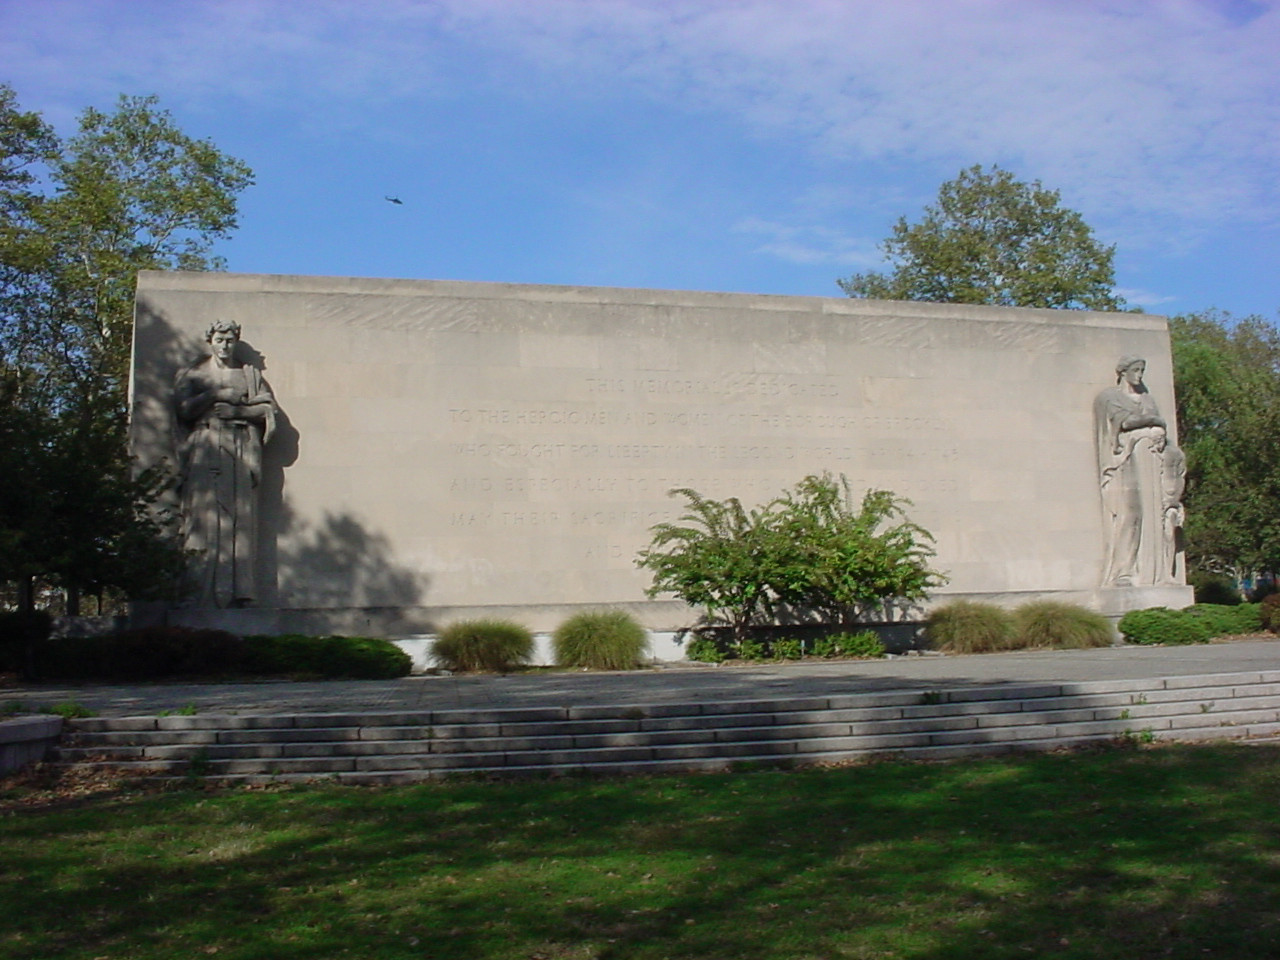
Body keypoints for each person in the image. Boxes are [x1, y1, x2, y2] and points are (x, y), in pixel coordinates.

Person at [173, 320, 277, 607]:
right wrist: (216, 394)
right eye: (220, 339)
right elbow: (183, 410)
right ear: (211, 341)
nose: (225, 345)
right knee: (202, 520)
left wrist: (237, 409)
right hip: (205, 449)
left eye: (230, 340)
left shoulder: (248, 374)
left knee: (239, 520)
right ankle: (196, 591)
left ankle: (240, 591)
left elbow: (267, 410)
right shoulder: (195, 373)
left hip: (240, 449)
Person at [1094, 356, 1182, 586]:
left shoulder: (1147, 398)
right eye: (1136, 370)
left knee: (1155, 516)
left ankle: (1157, 572)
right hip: (1125, 461)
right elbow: (1123, 422)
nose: (1140, 375)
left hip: (1151, 462)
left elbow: (1158, 425)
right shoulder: (1111, 397)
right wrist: (1152, 422)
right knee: (1130, 515)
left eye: (1142, 370)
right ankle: (1124, 570)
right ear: (1123, 372)